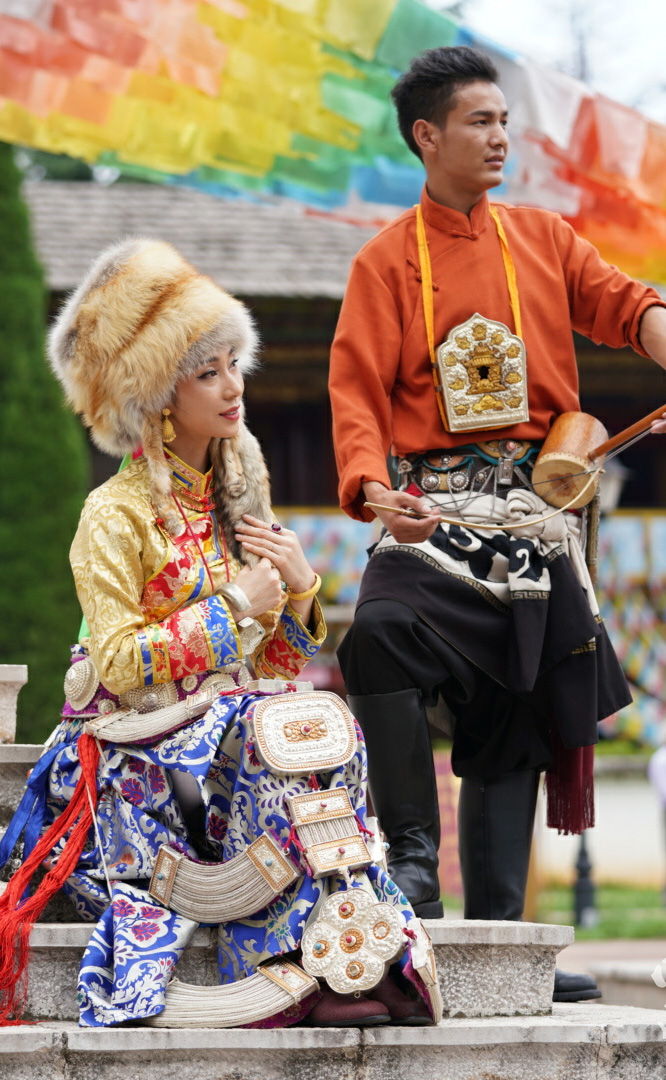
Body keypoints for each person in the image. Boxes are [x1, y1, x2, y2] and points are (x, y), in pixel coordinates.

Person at [0, 238, 439, 1029]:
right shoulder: (114, 515)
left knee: (323, 723)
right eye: (208, 372)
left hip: (225, 736)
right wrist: (233, 603)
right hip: (133, 750)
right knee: (271, 736)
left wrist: (300, 589)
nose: (234, 385)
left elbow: (272, 665)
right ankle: (286, 961)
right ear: (157, 395)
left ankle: (357, 947)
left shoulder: (239, 494)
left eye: (234, 364)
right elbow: (118, 663)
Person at [329, 46, 666, 1003]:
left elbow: (628, 306)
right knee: (379, 636)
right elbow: (355, 393)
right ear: (427, 135)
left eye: (505, 122)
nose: (501, 139)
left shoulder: (546, 239)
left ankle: (506, 954)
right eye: (480, 121)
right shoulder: (384, 261)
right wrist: (370, 487)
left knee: (515, 719)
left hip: (535, 524)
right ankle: (412, 868)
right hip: (431, 520)